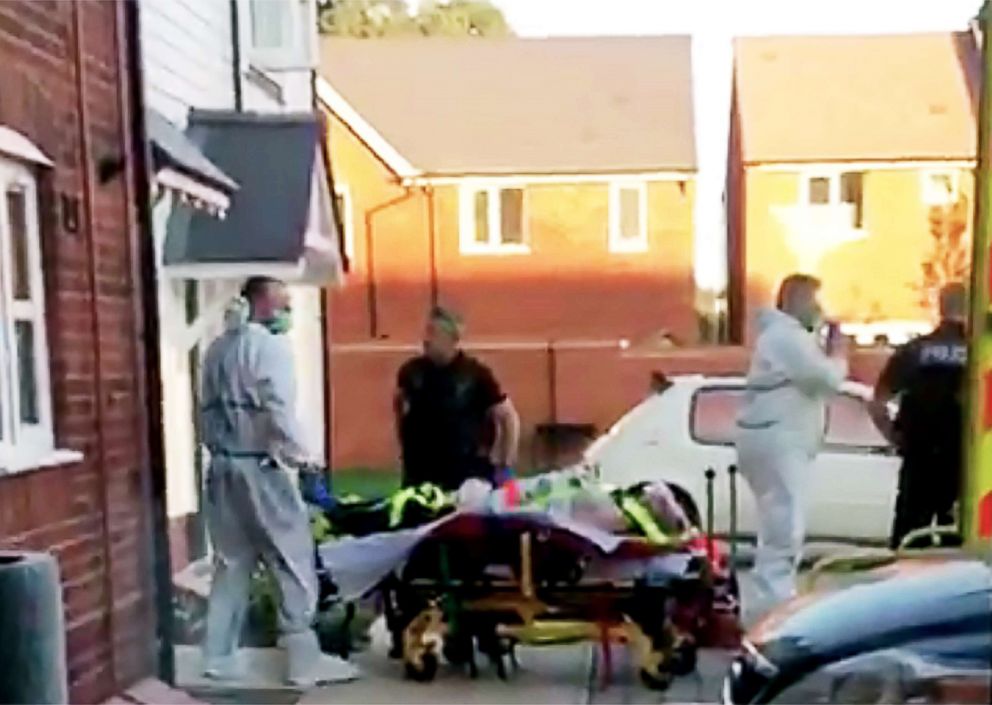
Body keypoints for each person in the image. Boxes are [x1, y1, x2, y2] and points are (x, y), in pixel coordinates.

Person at [199, 276, 359, 686]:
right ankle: (303, 662)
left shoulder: (218, 348)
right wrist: (307, 461)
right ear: (262, 304)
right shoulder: (268, 349)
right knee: (291, 556)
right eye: (283, 304)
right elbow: (279, 412)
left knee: (231, 561)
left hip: (221, 467)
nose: (288, 313)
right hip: (260, 467)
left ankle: (217, 656)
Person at [735, 274, 848, 616]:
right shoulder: (787, 337)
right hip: (781, 442)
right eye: (814, 301)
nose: (819, 310)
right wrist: (840, 354)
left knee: (777, 527)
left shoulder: (781, 338)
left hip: (776, 440)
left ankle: (771, 604)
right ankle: (775, 610)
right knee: (784, 528)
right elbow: (827, 379)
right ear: (796, 302)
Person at [869, 283, 968, 550]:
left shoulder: (913, 351)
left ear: (940, 307)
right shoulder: (982, 351)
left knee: (908, 542)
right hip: (966, 465)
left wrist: (895, 437)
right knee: (961, 546)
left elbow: (878, 403)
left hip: (918, 459)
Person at [394, 306, 521, 492]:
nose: (426, 340)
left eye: (433, 333)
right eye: (427, 332)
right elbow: (399, 407)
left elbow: (508, 417)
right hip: (420, 477)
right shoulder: (411, 373)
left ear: (452, 339)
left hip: (465, 478)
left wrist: (505, 464)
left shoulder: (476, 375)